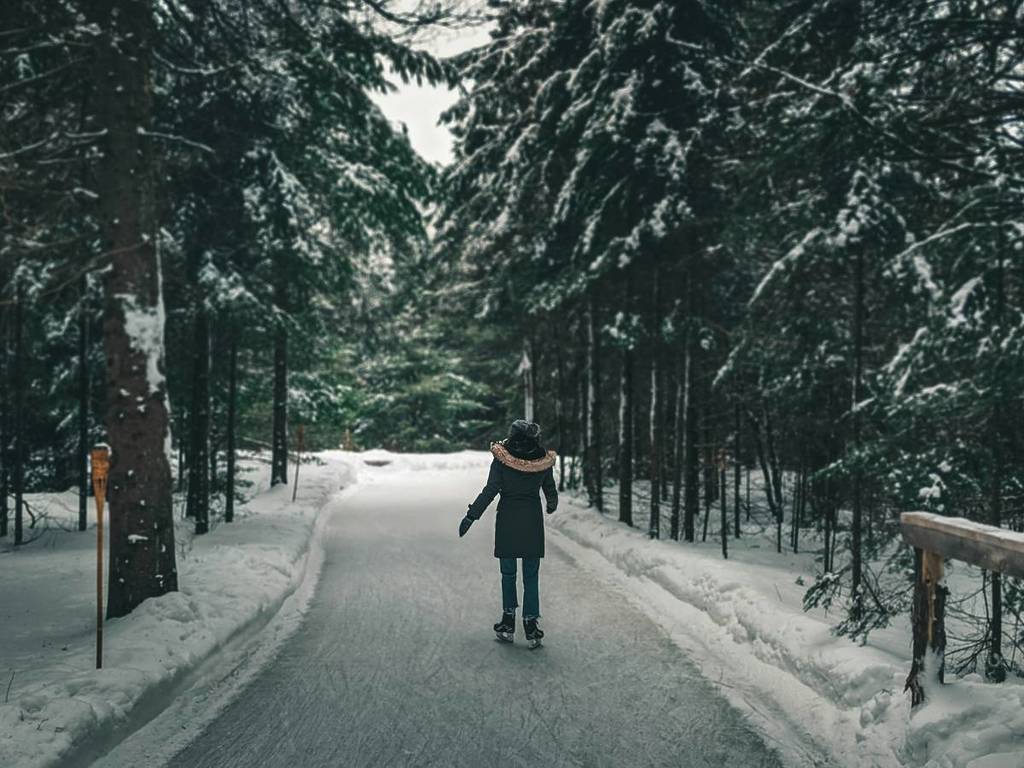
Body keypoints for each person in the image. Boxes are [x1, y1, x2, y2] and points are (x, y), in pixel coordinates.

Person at [459, 419, 558, 648]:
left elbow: (490, 490)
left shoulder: (501, 460)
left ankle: (508, 621)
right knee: (531, 575)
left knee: (508, 574)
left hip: (507, 519)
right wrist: (551, 502)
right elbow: (549, 488)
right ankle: (531, 624)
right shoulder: (542, 460)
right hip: (532, 520)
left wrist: (471, 516)